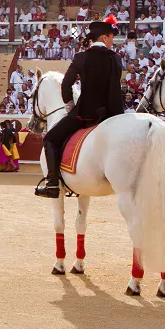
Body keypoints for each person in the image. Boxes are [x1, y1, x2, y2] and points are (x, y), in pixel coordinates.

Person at [35, 18, 125, 198]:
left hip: (87, 114)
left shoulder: (82, 57)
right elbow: (115, 88)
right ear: (105, 37)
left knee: (51, 139)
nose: (113, 40)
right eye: (112, 36)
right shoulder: (116, 58)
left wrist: (70, 106)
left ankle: (53, 184)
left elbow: (66, 84)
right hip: (113, 115)